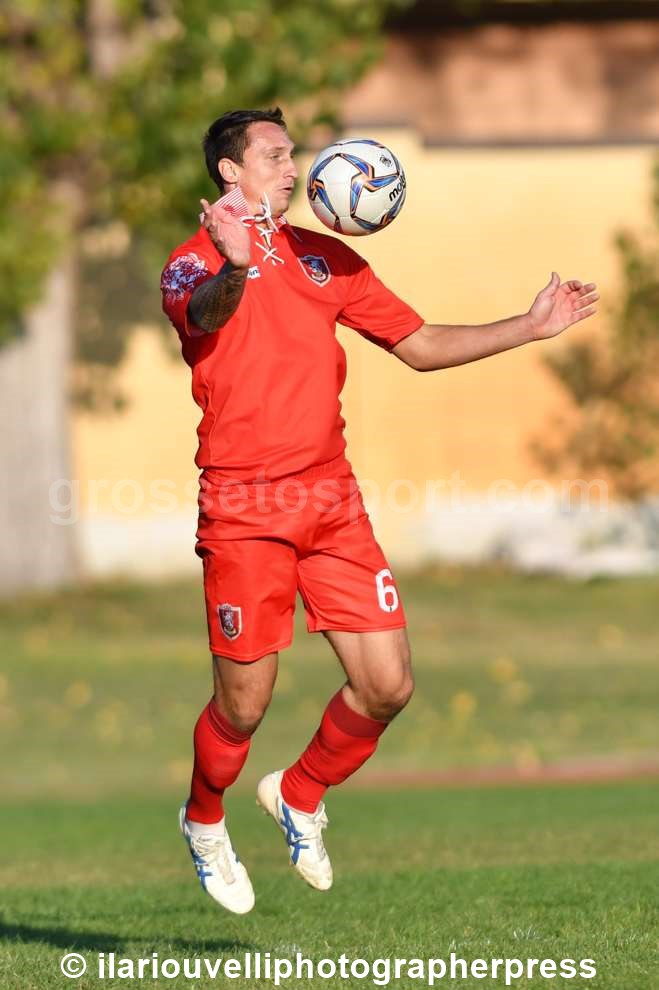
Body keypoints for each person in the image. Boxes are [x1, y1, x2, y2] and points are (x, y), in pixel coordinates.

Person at [161, 107, 598, 915]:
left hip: (331, 499)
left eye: (293, 155)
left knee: (387, 686)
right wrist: (234, 266)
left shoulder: (326, 257)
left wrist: (530, 326)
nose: (292, 169)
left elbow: (420, 346)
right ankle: (203, 818)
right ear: (229, 169)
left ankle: (298, 793)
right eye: (274, 155)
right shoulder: (193, 262)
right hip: (244, 507)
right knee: (244, 705)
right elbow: (205, 316)